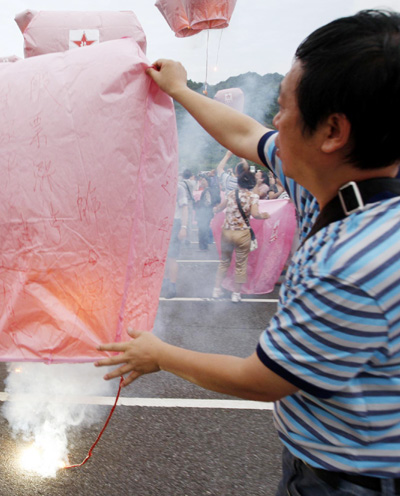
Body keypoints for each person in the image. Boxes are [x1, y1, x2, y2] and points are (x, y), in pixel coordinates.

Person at [97, 10, 400, 496]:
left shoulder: (352, 264)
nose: (275, 122)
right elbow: (243, 134)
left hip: (351, 478)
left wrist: (159, 354)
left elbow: (265, 379)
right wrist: (180, 90)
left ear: (332, 131)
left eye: (284, 108)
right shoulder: (334, 183)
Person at [212, 171, 269, 302]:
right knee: (241, 264)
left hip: (227, 232)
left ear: (238, 182)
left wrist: (215, 210)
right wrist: (264, 215)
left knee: (224, 262)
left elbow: (220, 208)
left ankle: (216, 290)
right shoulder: (253, 197)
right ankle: (236, 294)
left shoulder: (231, 194)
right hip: (242, 233)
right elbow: (255, 214)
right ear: (251, 183)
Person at [163, 176, 188, 298]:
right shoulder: (160, 184)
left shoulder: (179, 188)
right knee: (164, 256)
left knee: (172, 257)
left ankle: (172, 286)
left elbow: (185, 208)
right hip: (162, 224)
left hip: (175, 223)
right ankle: (166, 281)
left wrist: (184, 227)